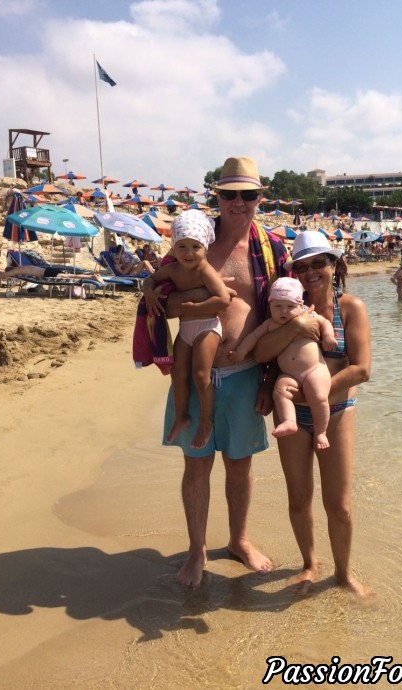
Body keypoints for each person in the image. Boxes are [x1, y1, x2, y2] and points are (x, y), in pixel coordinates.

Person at [142, 156, 289, 588]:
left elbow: (283, 315)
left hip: (246, 373)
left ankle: (239, 540)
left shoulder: (272, 248)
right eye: (229, 194)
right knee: (196, 466)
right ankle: (197, 550)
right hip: (194, 372)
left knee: (240, 465)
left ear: (260, 198)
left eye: (248, 194)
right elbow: (161, 301)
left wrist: (270, 380)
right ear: (218, 197)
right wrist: (191, 304)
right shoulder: (195, 241)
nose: (238, 202)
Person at [252, 231, 371, 596]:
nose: (310, 272)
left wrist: (313, 395)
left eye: (319, 263)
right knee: (299, 497)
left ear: (334, 264)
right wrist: (293, 327)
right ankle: (309, 565)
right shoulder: (284, 308)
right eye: (301, 267)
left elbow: (361, 369)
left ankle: (343, 575)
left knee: (339, 506)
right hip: (291, 417)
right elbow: (262, 354)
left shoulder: (350, 307)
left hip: (336, 412)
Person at [148, 210, 231, 449]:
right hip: (186, 328)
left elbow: (223, 299)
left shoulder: (205, 270)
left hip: (207, 326)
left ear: (205, 248)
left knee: (201, 375)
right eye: (182, 247)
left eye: (196, 247)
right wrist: (149, 293)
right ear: (173, 248)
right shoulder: (173, 270)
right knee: (178, 374)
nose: (189, 253)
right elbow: (150, 279)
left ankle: (206, 421)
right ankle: (181, 416)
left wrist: (195, 307)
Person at [228, 277, 336, 450]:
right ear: (270, 305)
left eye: (290, 307)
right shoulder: (270, 324)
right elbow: (252, 337)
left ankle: (321, 431)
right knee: (280, 391)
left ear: (300, 305)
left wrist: (329, 337)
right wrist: (241, 352)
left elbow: (324, 323)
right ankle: (289, 421)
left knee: (319, 397)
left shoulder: (308, 315)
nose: (283, 311)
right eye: (277, 306)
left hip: (314, 369)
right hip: (289, 374)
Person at [0, 264, 104, 283]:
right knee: (69, 275)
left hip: (47, 273)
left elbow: (2, 274)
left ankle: (92, 276)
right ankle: (92, 276)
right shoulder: (21, 268)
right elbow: (2, 271)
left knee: (70, 276)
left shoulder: (16, 271)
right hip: (48, 270)